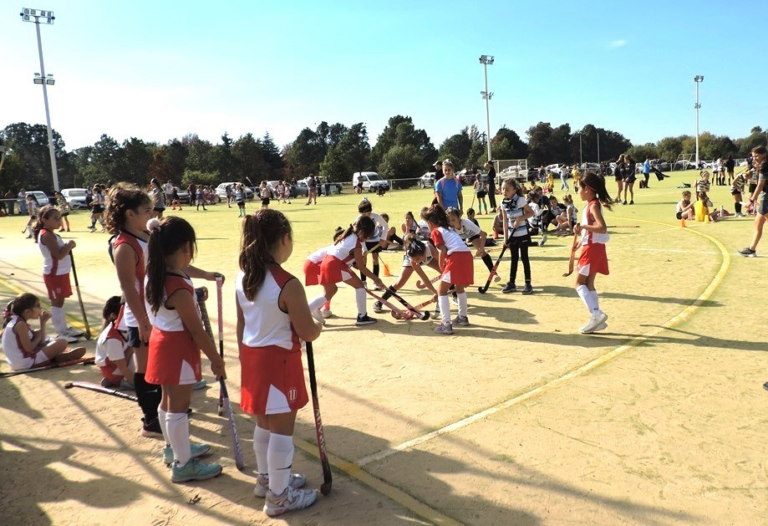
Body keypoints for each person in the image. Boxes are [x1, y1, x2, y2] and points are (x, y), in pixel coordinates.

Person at [236, 210, 320, 515]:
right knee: (282, 431)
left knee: (264, 425)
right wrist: (318, 322)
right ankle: (279, 497)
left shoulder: (243, 276)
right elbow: (307, 332)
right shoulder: (288, 283)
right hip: (279, 364)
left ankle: (267, 480)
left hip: (252, 359)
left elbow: (241, 326)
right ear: (284, 240)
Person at [144, 216, 225, 482]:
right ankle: (183, 464)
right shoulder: (176, 285)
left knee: (167, 402)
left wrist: (197, 289)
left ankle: (173, 449)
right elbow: (195, 329)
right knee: (179, 406)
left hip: (163, 342)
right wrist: (215, 359)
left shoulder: (158, 273)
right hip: (178, 348)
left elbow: (185, 280)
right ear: (185, 248)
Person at [309, 216, 384, 326]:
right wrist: (376, 279)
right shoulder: (356, 243)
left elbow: (355, 264)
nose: (368, 238)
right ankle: (362, 317)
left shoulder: (349, 236)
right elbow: (362, 267)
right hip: (335, 265)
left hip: (329, 264)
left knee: (329, 293)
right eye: (369, 234)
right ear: (363, 232)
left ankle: (307, 310)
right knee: (360, 286)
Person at [33, 205, 85, 343]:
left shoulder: (53, 234)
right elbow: (58, 255)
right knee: (56, 302)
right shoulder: (46, 235)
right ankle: (60, 332)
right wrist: (69, 245)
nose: (59, 221)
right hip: (54, 273)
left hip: (61, 272)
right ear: (45, 219)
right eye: (55, 218)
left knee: (60, 301)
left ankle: (64, 328)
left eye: (60, 218)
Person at [2, 293, 86, 371]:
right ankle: (58, 355)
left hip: (20, 362)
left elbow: (41, 340)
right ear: (27, 311)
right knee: (62, 342)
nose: (41, 309)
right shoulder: (20, 324)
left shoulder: (17, 321)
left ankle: (58, 356)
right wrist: (38, 337)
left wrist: (43, 322)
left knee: (47, 339)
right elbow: (29, 348)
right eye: (38, 306)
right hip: (26, 363)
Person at [574, 172, 613, 334]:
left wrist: (583, 228)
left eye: (579, 188)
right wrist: (580, 239)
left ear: (587, 189)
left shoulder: (593, 205)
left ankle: (596, 314)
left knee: (578, 283)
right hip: (595, 247)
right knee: (589, 283)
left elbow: (601, 227)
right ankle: (597, 319)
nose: (578, 190)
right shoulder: (592, 204)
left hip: (592, 249)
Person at [424, 205, 473, 334]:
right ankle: (463, 317)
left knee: (441, 290)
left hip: (456, 257)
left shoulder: (436, 231)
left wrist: (441, 267)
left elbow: (442, 250)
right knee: (459, 287)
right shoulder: (449, 230)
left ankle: (446, 324)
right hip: (467, 255)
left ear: (430, 223)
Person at [373, 234, 440, 314]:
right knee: (399, 283)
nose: (417, 262)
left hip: (428, 257)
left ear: (423, 254)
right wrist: (435, 293)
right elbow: (424, 278)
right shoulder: (413, 261)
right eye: (414, 260)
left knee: (445, 272)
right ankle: (380, 301)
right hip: (416, 257)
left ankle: (455, 295)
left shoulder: (430, 249)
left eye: (417, 259)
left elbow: (446, 265)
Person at [500, 178, 535, 295]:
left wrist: (520, 218)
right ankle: (512, 282)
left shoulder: (520, 200)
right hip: (512, 235)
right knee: (513, 258)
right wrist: (505, 238)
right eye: (503, 189)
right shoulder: (503, 203)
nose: (504, 191)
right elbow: (505, 221)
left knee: (524, 257)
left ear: (514, 190)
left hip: (523, 234)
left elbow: (531, 213)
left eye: (507, 189)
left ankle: (528, 283)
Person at [95, 296, 134, 389]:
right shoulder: (112, 338)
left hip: (117, 368)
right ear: (114, 316)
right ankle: (127, 381)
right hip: (115, 371)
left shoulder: (122, 329)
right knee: (141, 350)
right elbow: (122, 367)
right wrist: (138, 385)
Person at [445, 207, 496, 277]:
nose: (451, 223)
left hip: (472, 235)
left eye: (453, 220)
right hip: (460, 238)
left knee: (482, 252)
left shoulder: (467, 223)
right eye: (449, 221)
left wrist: (481, 249)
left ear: (459, 217)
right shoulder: (450, 228)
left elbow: (484, 234)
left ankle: (493, 273)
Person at [739, 146, 768, 257]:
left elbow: (760, 185)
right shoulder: (763, 165)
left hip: (766, 197)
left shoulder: (765, 166)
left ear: (764, 154)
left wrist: (752, 200)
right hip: (765, 196)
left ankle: (752, 250)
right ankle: (752, 250)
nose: (754, 158)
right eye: (753, 156)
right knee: (758, 223)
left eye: (756, 156)